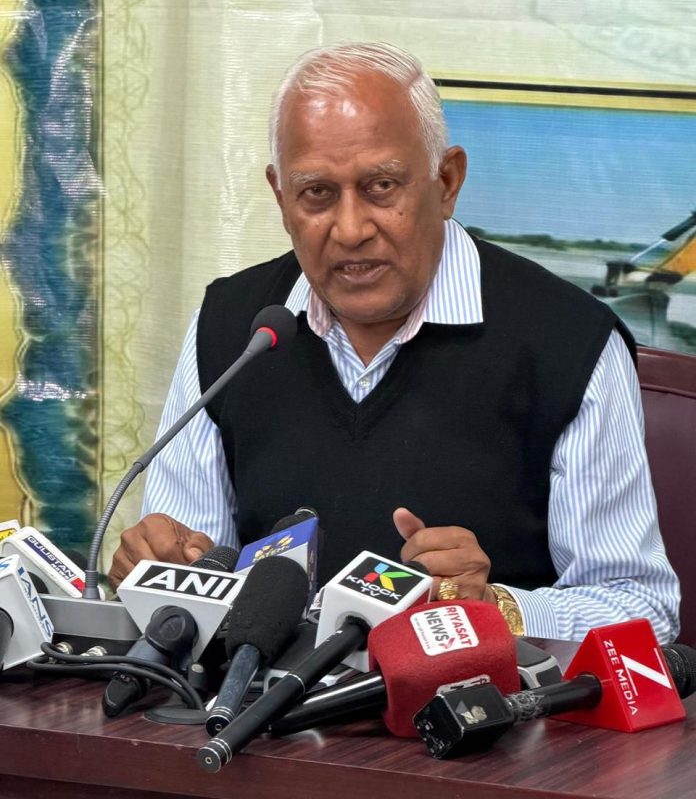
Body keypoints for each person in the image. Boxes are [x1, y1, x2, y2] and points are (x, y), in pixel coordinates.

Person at [109, 42, 680, 643]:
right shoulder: (235, 331)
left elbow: (643, 610)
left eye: (381, 186)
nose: (351, 229)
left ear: (447, 181)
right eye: (317, 193)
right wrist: (160, 572)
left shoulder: (567, 342)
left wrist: (497, 608)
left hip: (480, 697)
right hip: (255, 695)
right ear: (280, 197)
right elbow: (191, 572)